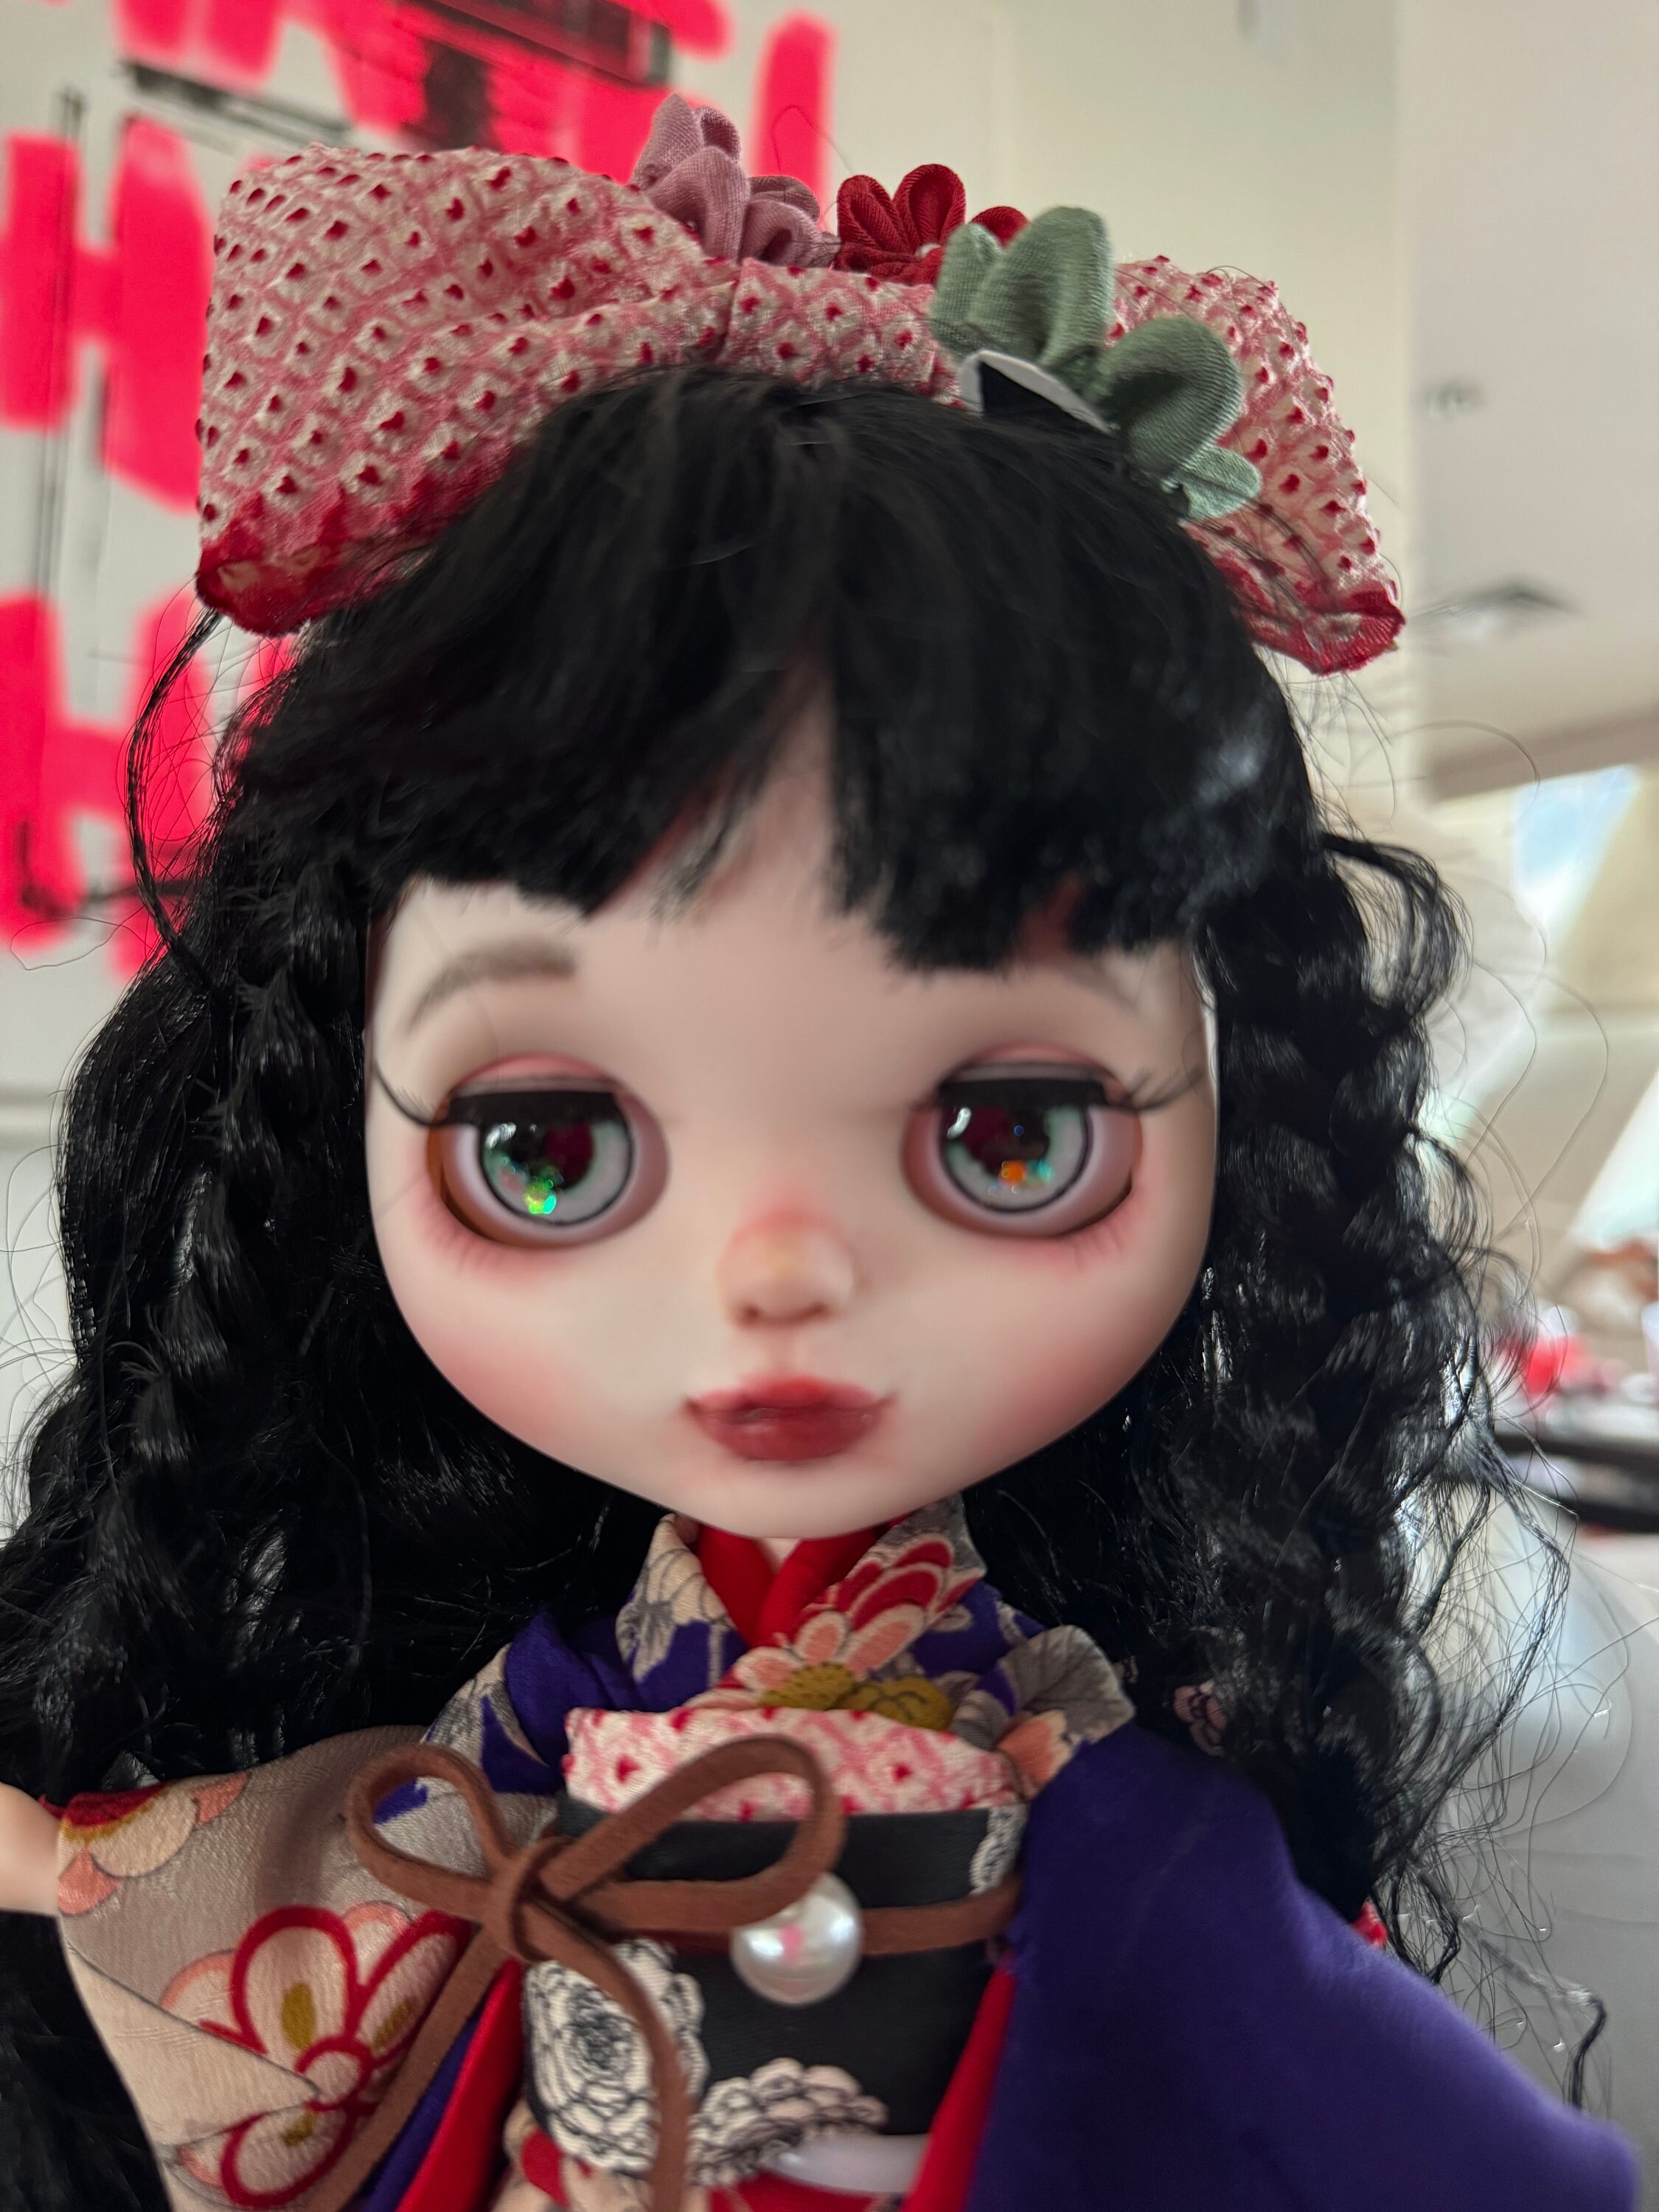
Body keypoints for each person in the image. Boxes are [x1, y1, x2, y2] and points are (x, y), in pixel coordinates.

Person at [0, 94, 1638, 2212]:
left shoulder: (1093, 1793)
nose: (775, 1270)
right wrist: (75, 1861)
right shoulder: (556, 1704)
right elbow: (382, 1867)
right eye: (549, 1145)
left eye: (1008, 1132)